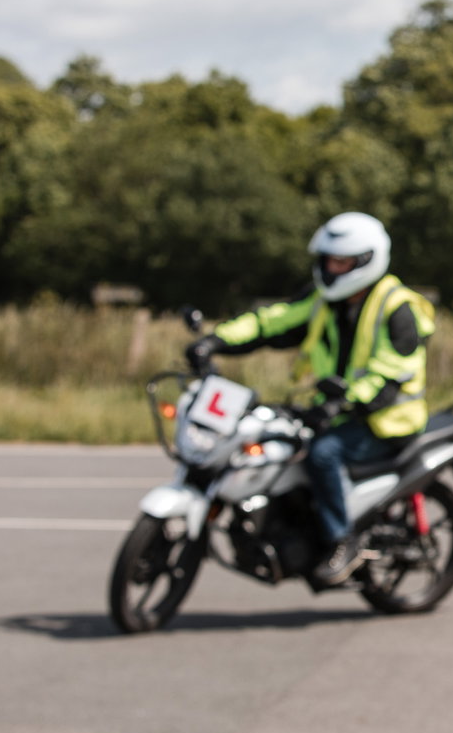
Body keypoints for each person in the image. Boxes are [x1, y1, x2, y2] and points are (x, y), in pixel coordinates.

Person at [186, 211, 434, 584]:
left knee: (322, 454)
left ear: (366, 261)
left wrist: (345, 401)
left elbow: (388, 375)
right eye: (327, 261)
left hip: (386, 420)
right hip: (338, 410)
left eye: (340, 262)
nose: (330, 270)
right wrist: (214, 341)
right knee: (279, 442)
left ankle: (342, 539)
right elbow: (270, 322)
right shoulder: (324, 301)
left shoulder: (399, 309)